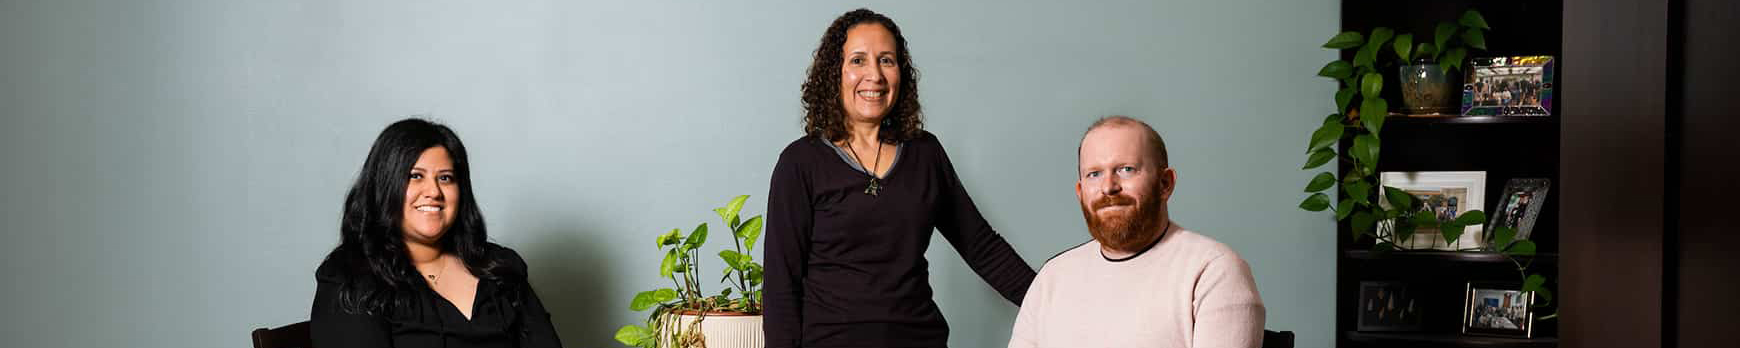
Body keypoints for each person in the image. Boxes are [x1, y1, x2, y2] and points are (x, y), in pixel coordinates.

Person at [763, 8, 1037, 348]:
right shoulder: (800, 163)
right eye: (858, 61)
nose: (874, 75)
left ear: (901, 73)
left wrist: (1054, 304)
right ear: (835, 72)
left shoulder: (925, 153)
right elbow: (781, 283)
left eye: (887, 61)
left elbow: (982, 248)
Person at [1007, 116, 1265, 348]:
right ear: (1080, 192)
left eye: (1126, 169)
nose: (1108, 187)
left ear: (1165, 184)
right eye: (1094, 174)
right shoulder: (1052, 278)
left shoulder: (1214, 271)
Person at [311, 118, 563, 348]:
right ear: (384, 187)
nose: (433, 191)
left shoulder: (500, 268)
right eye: (415, 176)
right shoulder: (350, 278)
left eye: (445, 178)